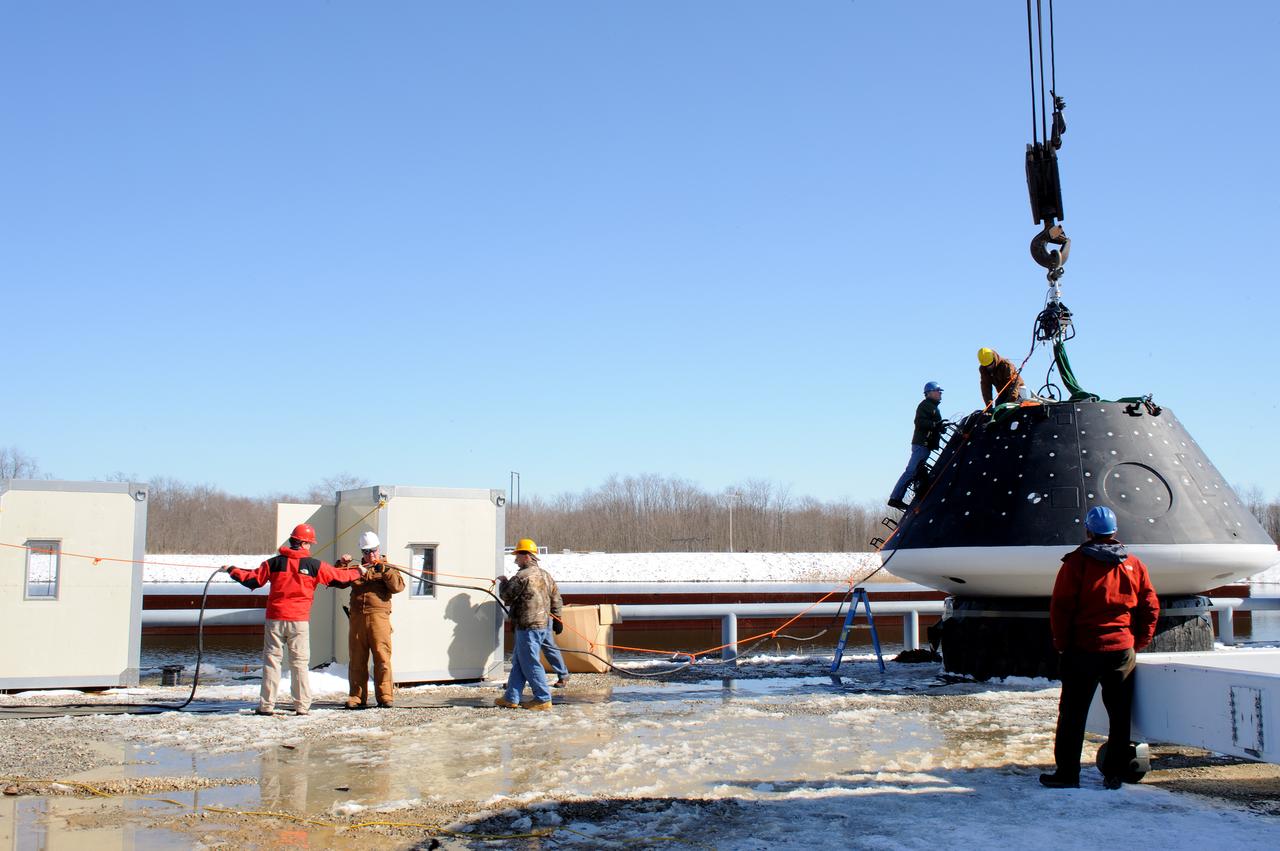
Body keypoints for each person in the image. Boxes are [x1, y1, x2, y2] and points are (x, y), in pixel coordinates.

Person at [1041, 506, 1160, 790]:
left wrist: (1062, 644)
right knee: (1119, 714)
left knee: (1072, 713)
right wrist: (1138, 640)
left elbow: (1061, 608)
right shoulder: (1133, 564)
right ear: (1115, 532)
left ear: (1089, 531)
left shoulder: (1076, 564)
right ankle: (1115, 773)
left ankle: (1068, 773)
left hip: (1083, 650)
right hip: (1121, 649)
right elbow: (1150, 605)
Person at [224, 523, 365, 716]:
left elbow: (252, 579)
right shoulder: (314, 566)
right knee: (299, 664)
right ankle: (302, 707)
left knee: (272, 662)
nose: (311, 547)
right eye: (310, 543)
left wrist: (232, 569)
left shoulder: (273, 563)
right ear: (305, 543)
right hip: (299, 621)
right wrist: (360, 571)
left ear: (292, 541)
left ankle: (266, 706)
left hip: (275, 619)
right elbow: (339, 578)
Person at [337, 531, 405, 709]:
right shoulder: (355, 568)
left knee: (382, 658)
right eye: (367, 552)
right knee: (357, 659)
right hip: (357, 618)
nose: (371, 555)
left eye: (373, 551)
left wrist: (385, 570)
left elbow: (398, 587)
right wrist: (341, 564)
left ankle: (385, 696)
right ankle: (357, 697)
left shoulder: (388, 567)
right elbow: (336, 579)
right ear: (362, 552)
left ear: (378, 549)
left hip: (379, 618)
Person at [495, 538, 563, 711]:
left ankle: (542, 698)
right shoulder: (545, 575)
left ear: (526, 556)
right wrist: (557, 618)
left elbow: (506, 597)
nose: (515, 559)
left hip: (527, 626)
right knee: (519, 661)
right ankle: (511, 697)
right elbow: (556, 597)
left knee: (530, 663)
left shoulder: (521, 577)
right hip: (543, 625)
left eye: (517, 555)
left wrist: (503, 582)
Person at [887, 381, 944, 511]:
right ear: (930, 393)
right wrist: (935, 425)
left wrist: (940, 428)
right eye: (938, 391)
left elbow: (933, 424)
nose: (940, 393)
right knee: (912, 471)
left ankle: (920, 489)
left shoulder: (933, 407)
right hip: (922, 444)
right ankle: (895, 498)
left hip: (926, 445)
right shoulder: (925, 405)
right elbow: (920, 422)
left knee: (918, 471)